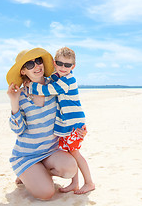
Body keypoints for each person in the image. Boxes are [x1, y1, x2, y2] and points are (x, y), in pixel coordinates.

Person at [6, 48, 87, 200]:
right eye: (30, 64)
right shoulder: (21, 94)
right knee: (46, 194)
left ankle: (35, 174)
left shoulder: (55, 86)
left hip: (50, 151)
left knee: (70, 168)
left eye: (38, 61)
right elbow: (18, 130)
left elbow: (71, 105)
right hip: (27, 155)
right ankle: (26, 173)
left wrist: (79, 127)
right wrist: (14, 101)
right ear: (23, 71)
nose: (37, 66)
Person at [28, 46, 95, 194]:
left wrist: (31, 85)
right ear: (54, 63)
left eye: (67, 65)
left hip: (74, 125)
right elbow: (48, 80)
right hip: (67, 124)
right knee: (70, 153)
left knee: (75, 153)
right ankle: (75, 183)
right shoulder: (58, 77)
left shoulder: (68, 80)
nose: (63, 67)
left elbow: (47, 90)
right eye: (60, 63)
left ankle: (89, 182)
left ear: (73, 66)